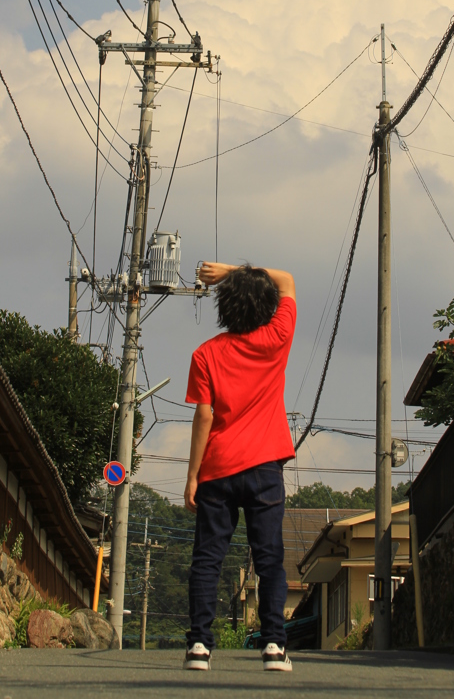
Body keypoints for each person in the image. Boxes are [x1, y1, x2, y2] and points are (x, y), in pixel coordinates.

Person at [183, 261, 296, 673]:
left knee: (208, 560)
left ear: (224, 307)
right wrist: (231, 269)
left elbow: (205, 417)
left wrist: (193, 475)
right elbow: (286, 280)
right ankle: (273, 647)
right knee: (269, 561)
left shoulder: (206, 353)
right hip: (266, 467)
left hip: (218, 470)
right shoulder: (277, 337)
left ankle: (199, 645)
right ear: (266, 307)